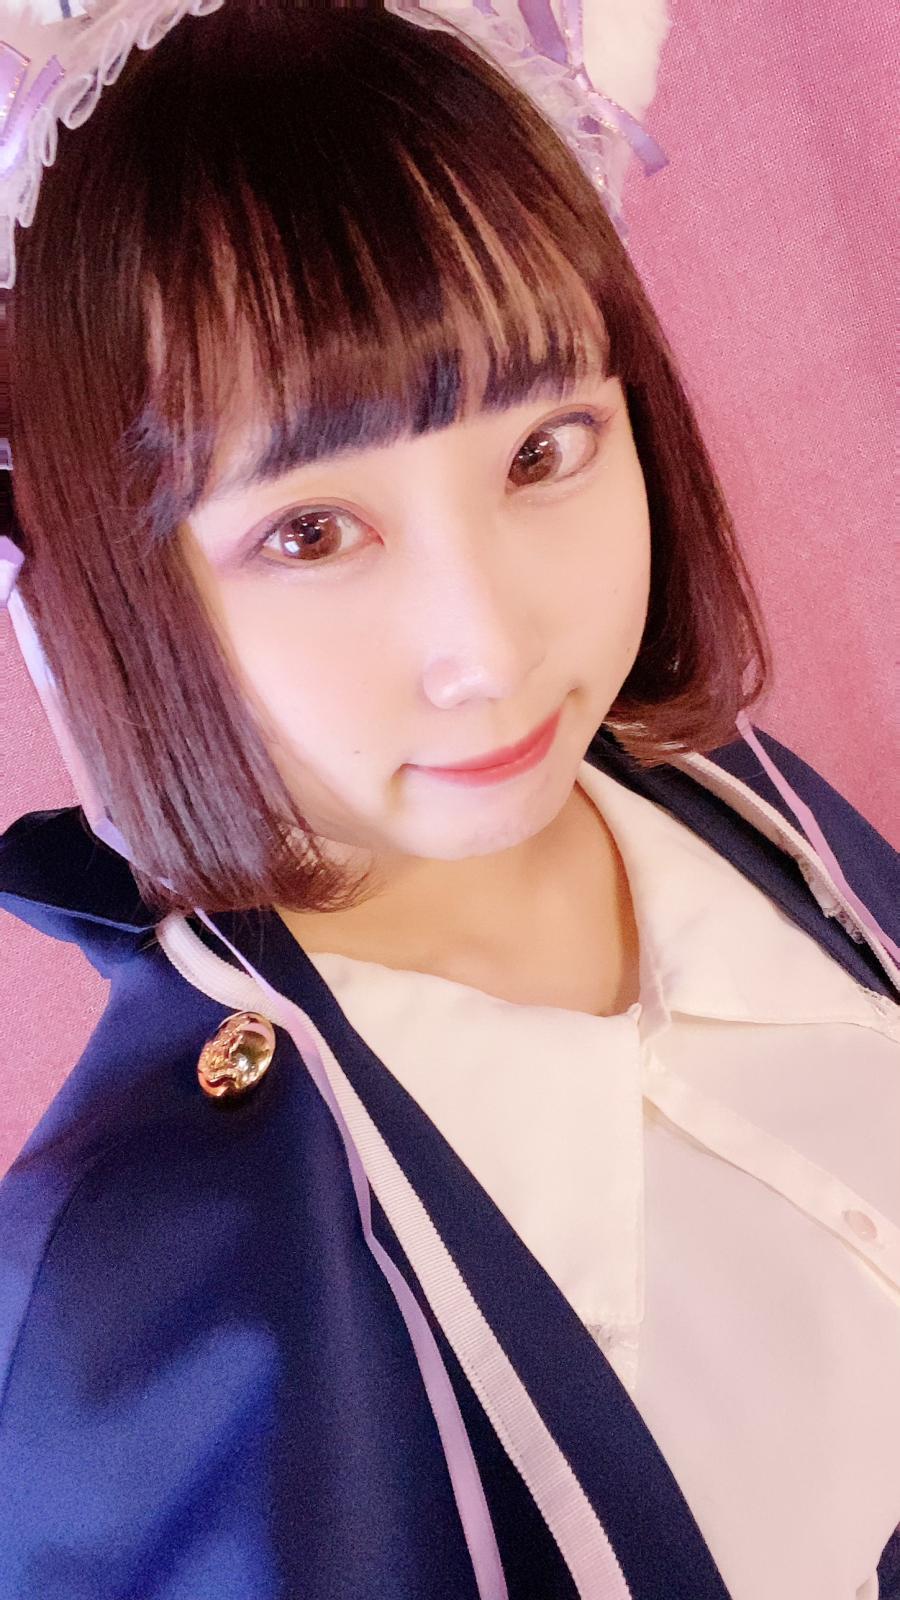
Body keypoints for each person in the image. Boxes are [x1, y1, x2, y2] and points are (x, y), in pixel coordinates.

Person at [0, 2, 898, 1597]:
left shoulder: (747, 807)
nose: (492, 650)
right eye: (310, 533)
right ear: (111, 583)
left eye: (545, 451)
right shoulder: (147, 1307)